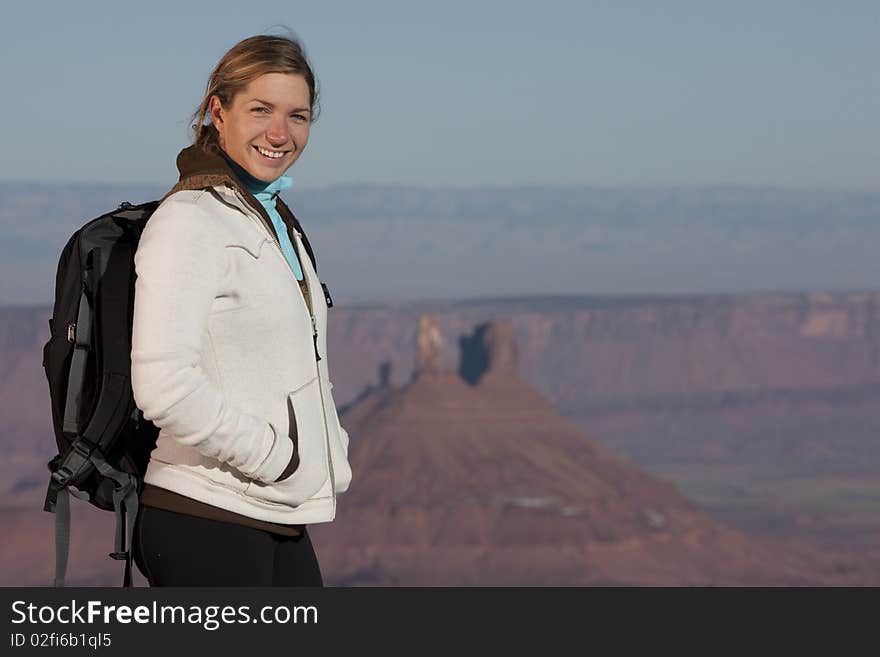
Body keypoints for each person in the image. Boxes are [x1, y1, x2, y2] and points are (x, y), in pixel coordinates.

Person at [130, 33, 352, 586]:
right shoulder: (191, 221)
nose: (280, 133)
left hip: (278, 514)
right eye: (260, 110)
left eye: (297, 115)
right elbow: (164, 384)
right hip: (206, 516)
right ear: (217, 111)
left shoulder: (273, 221)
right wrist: (276, 457)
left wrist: (329, 452)